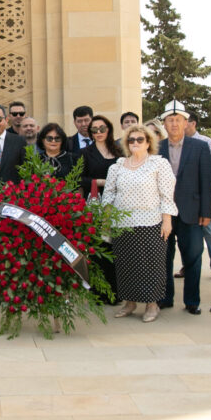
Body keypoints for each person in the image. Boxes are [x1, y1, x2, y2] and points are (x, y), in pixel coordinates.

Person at [102, 124, 176, 323]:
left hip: (151, 223)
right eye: (131, 140)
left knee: (151, 265)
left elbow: (166, 195)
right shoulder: (117, 166)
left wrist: (167, 220)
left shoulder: (159, 164)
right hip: (122, 224)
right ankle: (130, 303)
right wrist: (107, 219)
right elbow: (109, 193)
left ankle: (152, 305)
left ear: (149, 142)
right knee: (126, 265)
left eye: (139, 139)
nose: (135, 143)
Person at [156, 102, 211, 315]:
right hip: (164, 214)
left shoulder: (199, 147)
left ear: (185, 122)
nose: (174, 124)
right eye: (170, 120)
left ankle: (192, 301)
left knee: (193, 257)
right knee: (164, 257)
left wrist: (206, 212)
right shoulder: (157, 147)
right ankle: (165, 297)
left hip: (192, 212)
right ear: (164, 124)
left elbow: (207, 181)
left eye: (178, 120)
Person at [81, 115, 120, 301]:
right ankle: (99, 291)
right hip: (96, 204)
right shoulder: (85, 153)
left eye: (102, 128)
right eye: (94, 130)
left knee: (116, 247)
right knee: (98, 246)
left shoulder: (120, 151)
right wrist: (101, 182)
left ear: (109, 129)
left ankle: (117, 290)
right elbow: (81, 179)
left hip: (117, 205)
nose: (98, 133)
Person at [184, 114, 211, 282]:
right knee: (187, 236)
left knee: (210, 232)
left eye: (184, 122)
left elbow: (209, 169)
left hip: (201, 195)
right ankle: (187, 266)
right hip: (183, 197)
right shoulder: (175, 142)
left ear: (192, 123)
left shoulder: (205, 142)